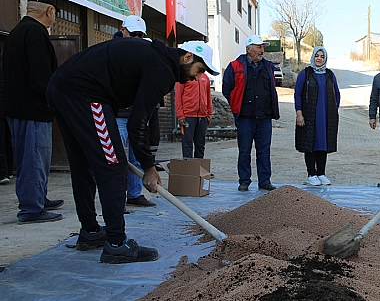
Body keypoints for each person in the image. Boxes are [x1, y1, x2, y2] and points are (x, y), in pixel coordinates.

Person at [47, 38, 219, 263]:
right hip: (85, 94)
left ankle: (90, 232)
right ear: (187, 57)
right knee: (113, 166)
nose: (197, 77)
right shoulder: (162, 69)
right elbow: (137, 123)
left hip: (62, 89)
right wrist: (149, 167)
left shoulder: (154, 58)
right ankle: (117, 244)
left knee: (84, 163)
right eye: (199, 70)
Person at [3, 0, 64, 224]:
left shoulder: (16, 33)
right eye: (54, 14)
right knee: (34, 158)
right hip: (33, 111)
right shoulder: (36, 34)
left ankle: (38, 197)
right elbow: (41, 79)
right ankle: (31, 208)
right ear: (49, 11)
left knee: (30, 158)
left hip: (16, 108)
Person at [222, 35, 279, 192]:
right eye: (258, 47)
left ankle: (265, 181)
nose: (262, 50)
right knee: (244, 150)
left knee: (264, 150)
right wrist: (236, 106)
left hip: (264, 117)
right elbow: (227, 89)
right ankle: (244, 181)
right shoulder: (235, 66)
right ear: (248, 49)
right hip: (245, 118)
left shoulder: (268, 66)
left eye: (262, 47)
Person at [112, 16, 156, 207]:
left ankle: (135, 193)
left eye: (140, 35)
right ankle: (116, 197)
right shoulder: (111, 52)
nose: (136, 37)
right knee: (117, 158)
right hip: (118, 114)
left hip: (137, 114)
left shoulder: (145, 53)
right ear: (123, 30)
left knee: (137, 156)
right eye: (133, 33)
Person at [294, 47, 340, 186]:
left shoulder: (330, 75)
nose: (319, 58)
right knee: (310, 144)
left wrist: (333, 110)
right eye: (317, 56)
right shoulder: (305, 74)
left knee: (323, 144)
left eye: (322, 56)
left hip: (326, 116)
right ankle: (311, 174)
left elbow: (336, 94)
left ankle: (321, 173)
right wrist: (299, 114)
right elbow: (298, 94)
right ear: (313, 57)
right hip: (309, 115)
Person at [175, 72, 212, 159]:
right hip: (188, 116)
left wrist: (209, 114)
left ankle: (199, 170)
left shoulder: (205, 77)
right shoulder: (184, 76)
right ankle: (189, 169)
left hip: (202, 116)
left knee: (200, 145)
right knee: (187, 144)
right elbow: (178, 97)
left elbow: (208, 96)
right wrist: (180, 115)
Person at [0, 47, 11, 185]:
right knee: (8, 139)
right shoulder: (7, 63)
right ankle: (8, 170)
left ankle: (3, 172)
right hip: (9, 106)